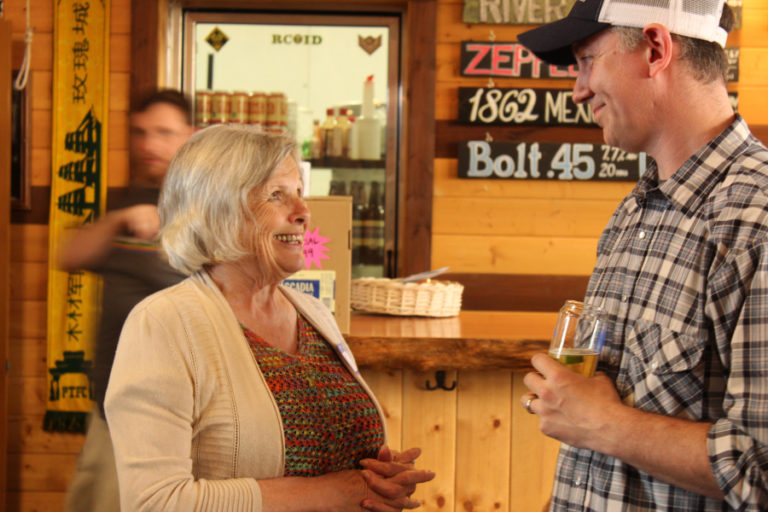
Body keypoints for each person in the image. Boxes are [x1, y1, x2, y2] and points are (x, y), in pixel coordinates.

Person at [516, 0, 768, 510]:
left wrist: (605, 424)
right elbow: (591, 452)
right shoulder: (634, 211)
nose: (578, 90)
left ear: (656, 49)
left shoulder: (756, 219)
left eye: (587, 61)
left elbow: (759, 468)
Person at [103, 125, 435, 511]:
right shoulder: (162, 325)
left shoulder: (312, 313)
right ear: (217, 210)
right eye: (276, 195)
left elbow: (333, 459)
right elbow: (154, 502)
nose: (303, 212)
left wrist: (377, 480)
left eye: (299, 192)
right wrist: (334, 492)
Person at [62, 89, 195, 512]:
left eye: (163, 133)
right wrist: (120, 218)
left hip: (170, 413)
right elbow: (69, 256)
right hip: (110, 402)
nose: (149, 144)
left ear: (190, 136)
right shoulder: (125, 201)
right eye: (140, 132)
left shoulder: (204, 208)